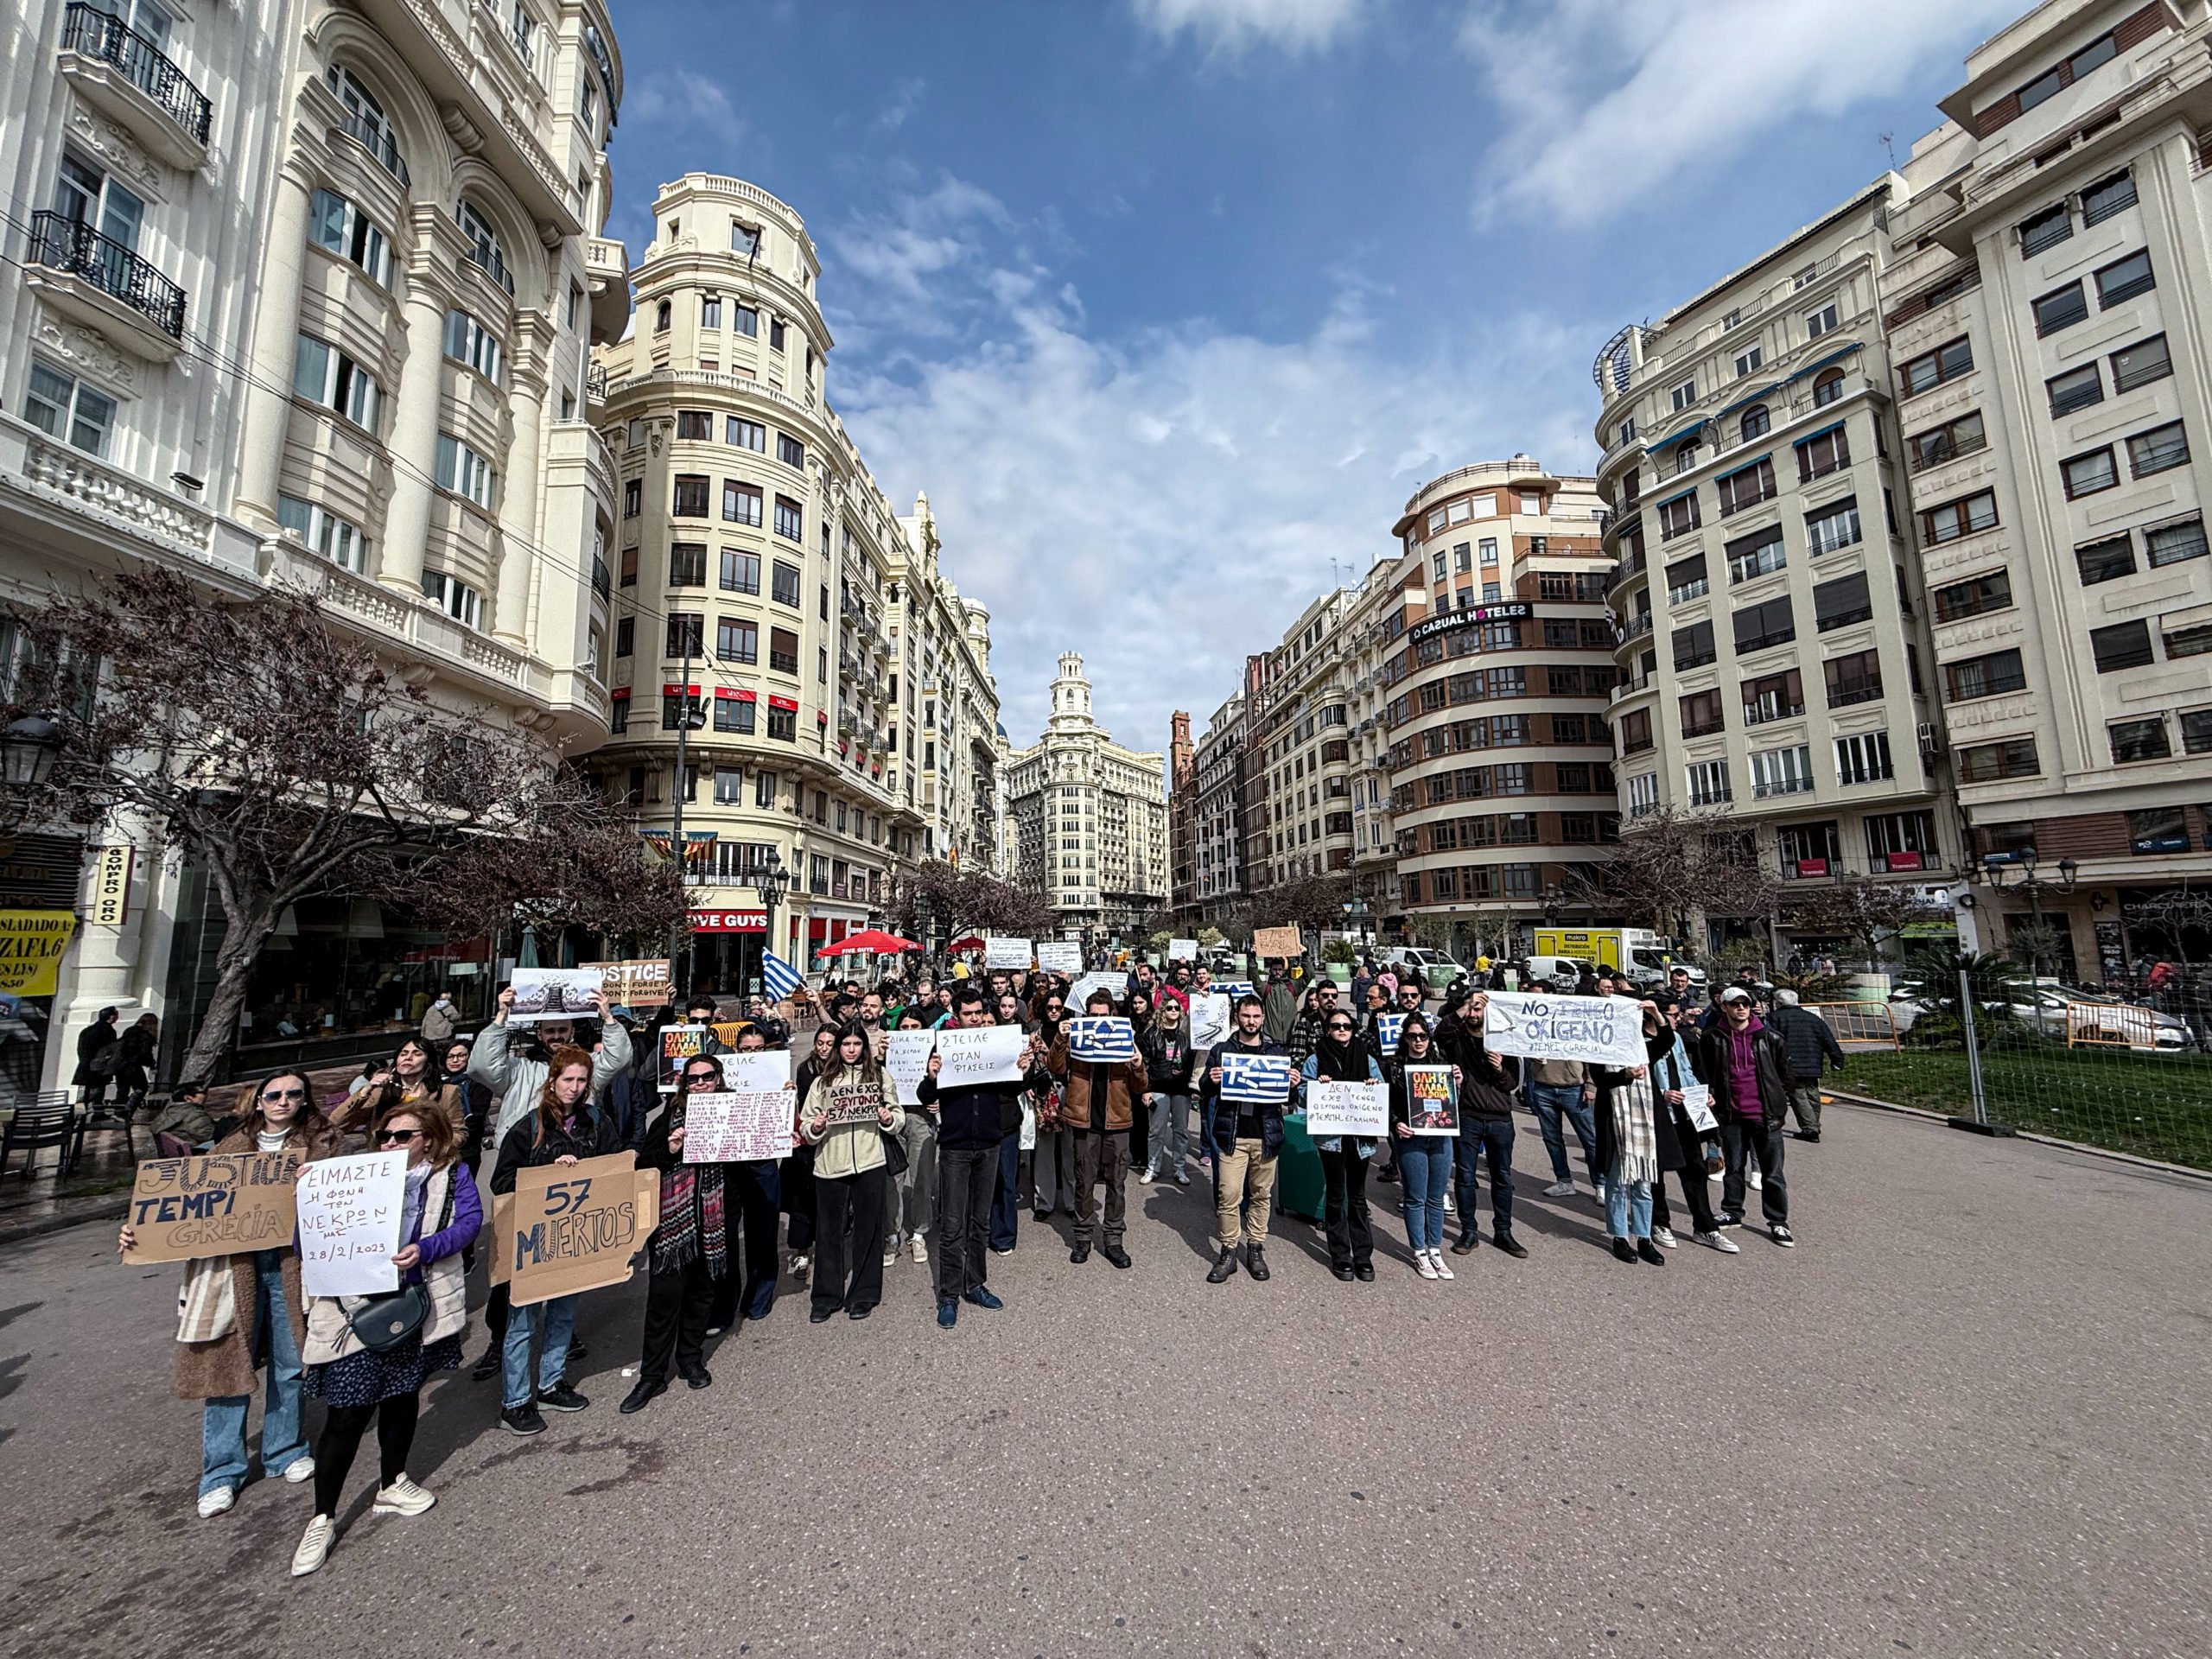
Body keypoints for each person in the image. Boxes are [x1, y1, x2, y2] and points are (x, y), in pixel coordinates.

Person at [117, 1069, 334, 1518]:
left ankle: (285, 1450)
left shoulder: (322, 1143)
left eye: (295, 1094)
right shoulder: (231, 1147)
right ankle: (221, 1471)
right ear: (258, 1100)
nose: (284, 1101)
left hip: (293, 1267)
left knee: (292, 1362)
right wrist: (138, 1231)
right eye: (274, 1094)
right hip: (235, 1270)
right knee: (226, 1367)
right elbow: (185, 1204)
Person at [289, 1100, 480, 1575]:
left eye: (404, 1136)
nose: (391, 1143)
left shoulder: (448, 1177)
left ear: (429, 1141)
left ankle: (393, 1480)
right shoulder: (348, 1177)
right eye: (386, 1136)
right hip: (353, 1311)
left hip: (412, 1304)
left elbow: (469, 1224)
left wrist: (426, 1249)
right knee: (347, 1414)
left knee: (401, 1396)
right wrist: (309, 1201)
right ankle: (323, 1515)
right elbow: (303, 1244)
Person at [467, 986, 632, 1380]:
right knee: (510, 1273)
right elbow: (482, 1067)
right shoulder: (519, 1069)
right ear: (539, 1034)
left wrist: (608, 1018)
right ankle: (499, 1341)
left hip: (571, 1188)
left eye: (563, 1030)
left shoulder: (586, 1071)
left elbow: (618, 1058)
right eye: (549, 1031)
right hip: (525, 1181)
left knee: (564, 1264)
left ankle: (562, 1337)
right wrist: (501, 1017)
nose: (556, 1037)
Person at [489, 1046, 620, 1434]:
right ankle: (514, 1402)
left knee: (563, 1315)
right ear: (553, 1080)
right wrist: (547, 1172)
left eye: (582, 1081)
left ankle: (550, 1384)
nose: (575, 1088)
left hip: (573, 1240)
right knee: (522, 1324)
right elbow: (501, 1183)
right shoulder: (528, 1127)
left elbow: (613, 1167)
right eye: (568, 1080)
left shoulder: (596, 1122)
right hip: (533, 1242)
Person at [920, 985, 1041, 1327]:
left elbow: (1013, 1087)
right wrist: (932, 1076)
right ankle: (948, 1294)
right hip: (957, 1144)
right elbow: (924, 1090)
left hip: (989, 1141)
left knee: (980, 1221)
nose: (974, 1019)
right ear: (956, 1017)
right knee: (953, 1224)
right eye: (968, 1014)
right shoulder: (943, 1046)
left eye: (977, 1013)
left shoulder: (995, 1042)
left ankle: (975, 1284)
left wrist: (1022, 1068)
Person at [624, 1053, 736, 1414]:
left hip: (713, 1220)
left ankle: (690, 1358)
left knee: (702, 1296)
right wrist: (670, 1149)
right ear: (684, 1084)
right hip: (674, 1226)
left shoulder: (734, 1112)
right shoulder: (669, 1118)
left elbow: (753, 1156)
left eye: (707, 1076)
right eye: (694, 1079)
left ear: (718, 1078)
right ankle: (652, 1375)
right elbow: (644, 1164)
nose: (701, 1083)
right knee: (663, 1301)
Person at [798, 1024, 903, 1321]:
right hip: (831, 1165)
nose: (852, 1049)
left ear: (865, 1047)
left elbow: (898, 1116)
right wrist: (816, 1128)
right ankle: (825, 1297)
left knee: (868, 1230)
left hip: (870, 1162)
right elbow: (806, 1124)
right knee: (828, 1232)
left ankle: (864, 1293)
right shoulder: (822, 1082)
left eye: (857, 1043)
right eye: (846, 1044)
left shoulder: (879, 1077)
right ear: (838, 1047)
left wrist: (887, 1118)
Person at [1045, 989, 1148, 1268]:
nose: (1099, 1019)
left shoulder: (1125, 1039)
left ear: (1112, 1015)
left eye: (1104, 1015)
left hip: (1117, 1122)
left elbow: (1140, 1086)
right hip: (1084, 1121)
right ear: (1086, 1015)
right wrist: (1060, 1037)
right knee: (1084, 1181)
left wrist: (1138, 1066)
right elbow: (1055, 1067)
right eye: (1093, 1015)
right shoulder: (1075, 1037)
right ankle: (1083, 1238)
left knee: (1117, 1183)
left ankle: (1114, 1240)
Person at [1199, 995, 1293, 1284]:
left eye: (1255, 1016)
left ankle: (1255, 1247)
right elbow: (1204, 1090)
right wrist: (1210, 1080)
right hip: (1233, 1136)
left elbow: (1289, 1098)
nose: (1250, 1021)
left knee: (1261, 1195)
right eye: (1245, 1015)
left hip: (1265, 1136)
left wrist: (1293, 1084)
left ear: (1262, 1018)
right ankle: (1228, 1250)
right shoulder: (1222, 1050)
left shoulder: (1276, 1052)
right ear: (1237, 1017)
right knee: (1228, 1195)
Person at [1696, 987, 1794, 1246]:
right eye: (1735, 1004)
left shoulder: (1769, 1037)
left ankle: (1778, 1222)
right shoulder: (1712, 1038)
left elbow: (1785, 1074)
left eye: (1746, 1004)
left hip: (1766, 1115)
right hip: (1731, 1114)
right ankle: (1732, 1211)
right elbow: (1704, 1072)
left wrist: (1779, 1100)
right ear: (1724, 1007)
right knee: (1734, 1168)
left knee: (1772, 1173)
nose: (1741, 1008)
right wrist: (1709, 1094)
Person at [1436, 988, 1527, 1258]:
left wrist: (1499, 1069)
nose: (1475, 1014)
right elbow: (1440, 1034)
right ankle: (1469, 1231)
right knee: (1464, 1177)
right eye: (1472, 1009)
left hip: (1500, 1119)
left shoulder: (1505, 1041)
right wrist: (1464, 1007)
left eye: (1479, 1009)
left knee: (1502, 1177)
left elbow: (1512, 1083)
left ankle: (1503, 1231)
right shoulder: (1458, 1038)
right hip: (1469, 1115)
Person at [1300, 1008, 1382, 1281]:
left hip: (1360, 1140)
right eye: (1336, 1026)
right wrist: (1317, 1087)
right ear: (1327, 1030)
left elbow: (1381, 1091)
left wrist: (1373, 1085)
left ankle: (1363, 1256)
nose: (1342, 1030)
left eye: (1346, 1026)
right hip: (1331, 1139)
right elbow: (1302, 1093)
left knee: (1358, 1197)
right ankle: (1340, 1255)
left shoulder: (1367, 1059)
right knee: (1336, 1195)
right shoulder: (1315, 1059)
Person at [1593, 1006, 1679, 1266]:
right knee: (1618, 1183)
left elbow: (1668, 1039)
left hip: (1644, 1126)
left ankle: (1643, 1237)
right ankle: (1620, 1236)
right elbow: (1601, 1080)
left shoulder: (1644, 1050)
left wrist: (1656, 1012)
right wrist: (1625, 1075)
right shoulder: (1600, 1050)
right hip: (1616, 1125)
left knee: (1643, 1185)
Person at [1649, 1001, 1737, 1254]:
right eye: (1673, 1015)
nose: (1679, 1019)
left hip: (1686, 1115)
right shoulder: (1640, 1041)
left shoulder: (1676, 1038)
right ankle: (1660, 1223)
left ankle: (1705, 1227)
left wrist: (1702, 1095)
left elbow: (1686, 1070)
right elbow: (1638, 1079)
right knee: (1656, 1173)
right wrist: (1662, 1093)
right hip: (1658, 1117)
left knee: (1695, 1172)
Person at [1387, 1016, 1462, 1280]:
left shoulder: (1441, 1066)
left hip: (1441, 1137)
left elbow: (1453, 1105)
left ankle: (1435, 1249)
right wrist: (1396, 1124)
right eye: (1412, 1036)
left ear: (1429, 1038)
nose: (1418, 1041)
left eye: (1422, 1036)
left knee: (1436, 1197)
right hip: (1412, 1138)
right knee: (1415, 1197)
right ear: (1404, 1038)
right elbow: (1387, 1105)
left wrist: (1458, 1084)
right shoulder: (1395, 1067)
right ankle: (1419, 1251)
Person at [337, 1035, 461, 1141]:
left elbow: (458, 1133)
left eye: (417, 1054)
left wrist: (429, 1149)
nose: (408, 1058)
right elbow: (337, 1125)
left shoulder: (446, 1092)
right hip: (385, 1162)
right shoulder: (380, 1092)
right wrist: (364, 1092)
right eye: (404, 1054)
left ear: (428, 1062)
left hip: (425, 1163)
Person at [1766, 988, 1845, 1141]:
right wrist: (1837, 1060)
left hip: (1790, 1064)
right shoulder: (1813, 1019)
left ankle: (1810, 1129)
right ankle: (1814, 1124)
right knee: (1812, 1094)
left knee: (1799, 1095)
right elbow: (1829, 1040)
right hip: (1812, 1063)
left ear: (1778, 1003)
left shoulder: (1774, 1018)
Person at [1139, 991, 1198, 1185]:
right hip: (1158, 1087)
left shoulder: (1185, 1036)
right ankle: (1153, 1167)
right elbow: (1145, 1063)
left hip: (1181, 1088)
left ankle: (1179, 1168)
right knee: (1156, 1131)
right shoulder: (1151, 1034)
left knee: (1181, 1131)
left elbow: (1191, 1062)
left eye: (1177, 1008)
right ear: (1162, 1011)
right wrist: (1146, 1089)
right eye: (1170, 1008)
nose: (1174, 1011)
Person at [1027, 986, 1073, 1224]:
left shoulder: (1074, 1033)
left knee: (1070, 1149)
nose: (1054, 1011)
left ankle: (1072, 1201)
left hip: (1070, 1094)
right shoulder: (1035, 1035)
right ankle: (1044, 1201)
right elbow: (1027, 1064)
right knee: (1044, 1151)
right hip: (1045, 1094)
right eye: (1050, 1007)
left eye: (1058, 1007)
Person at [73, 1005, 121, 1109]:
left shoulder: (87, 1030)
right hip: (98, 1065)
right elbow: (110, 1049)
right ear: (111, 1017)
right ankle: (93, 1112)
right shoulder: (108, 1031)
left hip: (84, 1064)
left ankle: (79, 1114)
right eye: (116, 1014)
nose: (118, 1017)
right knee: (97, 1091)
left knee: (85, 1091)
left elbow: (80, 1048)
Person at [114, 1012, 160, 1116]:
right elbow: (145, 1053)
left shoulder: (129, 1031)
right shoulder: (145, 1035)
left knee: (122, 1090)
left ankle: (118, 1112)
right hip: (133, 1065)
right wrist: (152, 1065)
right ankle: (127, 1112)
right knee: (141, 1088)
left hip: (120, 1066)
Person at [152, 1078, 219, 1149]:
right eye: (203, 1092)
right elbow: (208, 1136)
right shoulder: (193, 1113)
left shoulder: (171, 1111)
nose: (206, 1095)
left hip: (182, 1149)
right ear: (188, 1098)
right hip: (196, 1151)